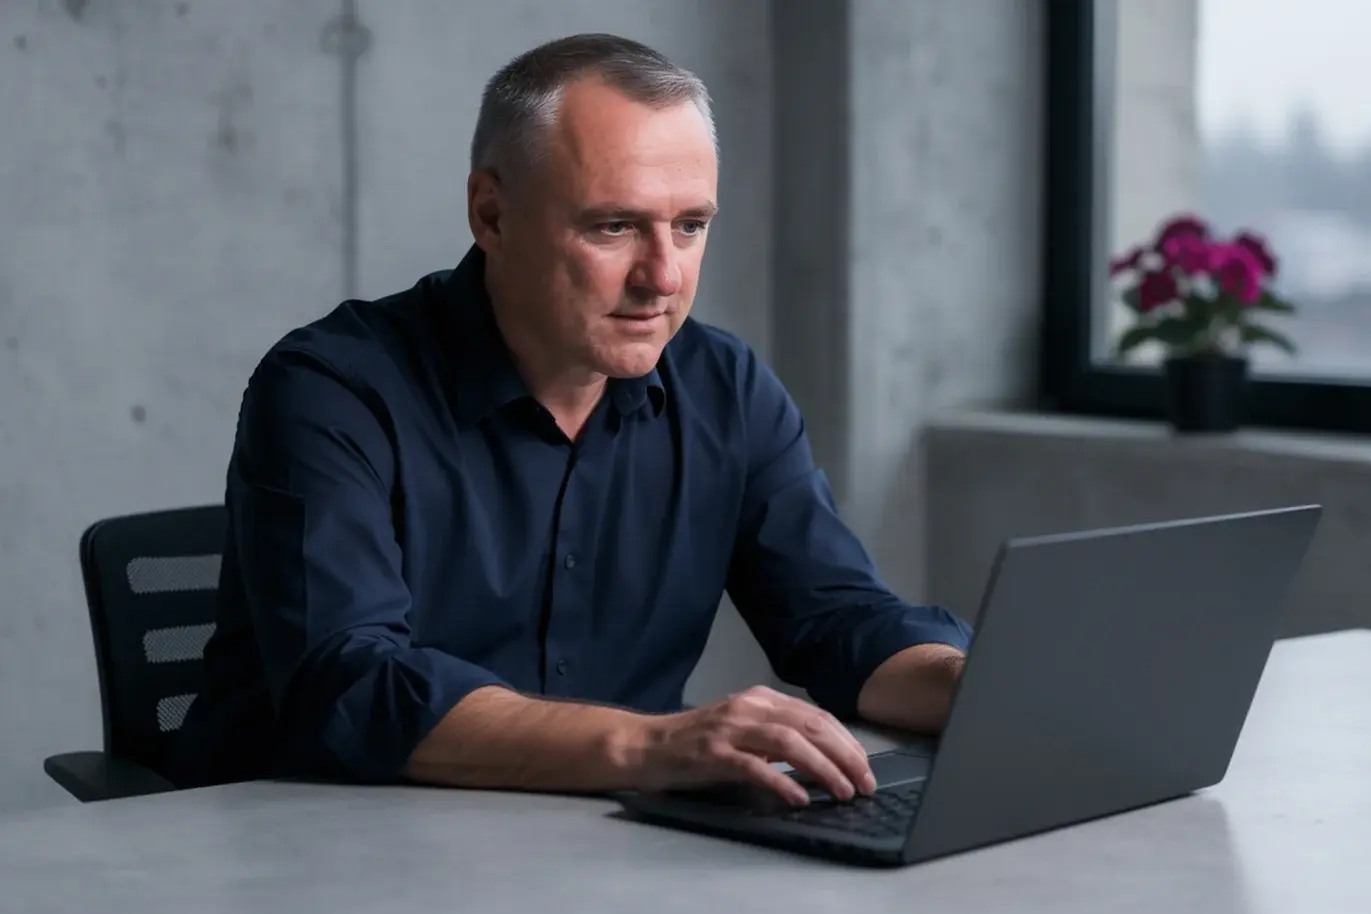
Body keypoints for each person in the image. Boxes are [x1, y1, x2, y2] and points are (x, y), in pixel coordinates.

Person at [172, 33, 972, 808]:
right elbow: (350, 683)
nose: (663, 276)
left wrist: (976, 687)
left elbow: (840, 622)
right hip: (310, 845)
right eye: (613, 226)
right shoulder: (332, 389)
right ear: (491, 215)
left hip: (601, 843)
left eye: (690, 226)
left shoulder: (724, 389)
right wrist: (654, 747)